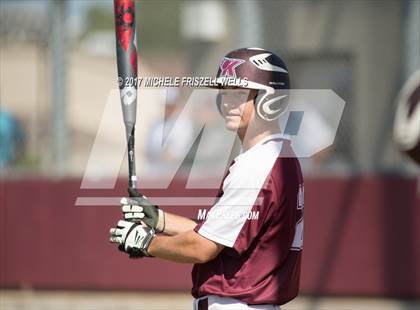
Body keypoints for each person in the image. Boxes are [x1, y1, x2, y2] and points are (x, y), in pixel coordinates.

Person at [110, 48, 304, 310]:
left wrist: (147, 242)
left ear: (269, 99)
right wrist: (159, 219)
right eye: (224, 94)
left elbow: (202, 247)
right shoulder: (280, 156)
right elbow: (219, 234)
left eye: (238, 94)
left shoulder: (257, 165)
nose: (227, 103)